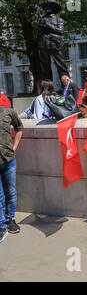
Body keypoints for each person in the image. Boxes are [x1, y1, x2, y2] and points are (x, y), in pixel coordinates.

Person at [0, 100, 24, 243]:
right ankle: (2, 225)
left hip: (8, 159)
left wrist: (14, 147)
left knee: (11, 191)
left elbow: (19, 127)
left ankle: (11, 219)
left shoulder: (8, 112)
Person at [38, 0, 68, 82]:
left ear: (54, 8)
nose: (48, 8)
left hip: (54, 44)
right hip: (43, 44)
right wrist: (41, 26)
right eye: (47, 6)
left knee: (61, 66)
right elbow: (39, 33)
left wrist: (48, 25)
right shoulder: (42, 19)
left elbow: (60, 31)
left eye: (50, 6)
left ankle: (65, 86)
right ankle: (48, 88)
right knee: (45, 67)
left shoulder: (59, 20)